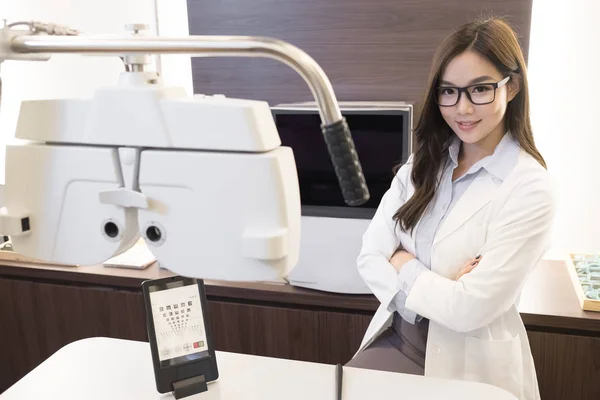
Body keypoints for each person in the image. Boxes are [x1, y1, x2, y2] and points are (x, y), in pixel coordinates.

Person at [346, 17, 554, 400]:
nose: (462, 108)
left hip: (468, 365)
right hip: (396, 337)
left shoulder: (530, 188)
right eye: (449, 92)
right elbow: (368, 256)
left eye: (480, 90)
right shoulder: (424, 163)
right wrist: (439, 288)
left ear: (513, 87)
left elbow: (469, 311)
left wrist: (404, 263)